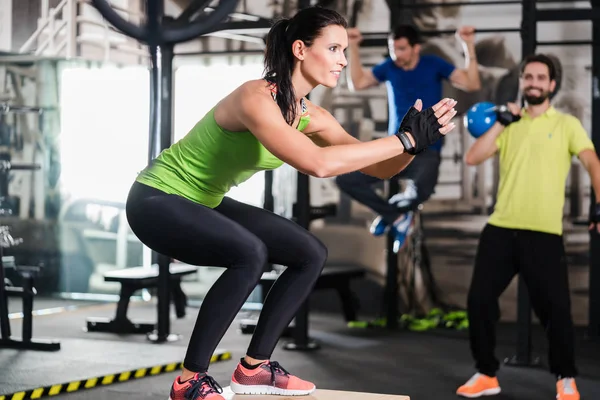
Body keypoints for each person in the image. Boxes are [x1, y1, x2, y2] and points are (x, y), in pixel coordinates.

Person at [125, 6, 458, 400]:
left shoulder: (310, 115)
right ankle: (189, 381)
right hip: (156, 198)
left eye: (343, 51)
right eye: (334, 48)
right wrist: (401, 142)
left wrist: (412, 144)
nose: (342, 60)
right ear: (300, 49)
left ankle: (254, 368)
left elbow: (381, 169)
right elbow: (318, 164)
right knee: (250, 253)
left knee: (309, 252)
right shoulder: (256, 97)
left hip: (203, 201)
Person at [456, 53, 598, 400]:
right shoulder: (508, 123)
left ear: (551, 85)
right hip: (501, 228)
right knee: (479, 301)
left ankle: (565, 377)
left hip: (543, 233)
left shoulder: (566, 125)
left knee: (557, 310)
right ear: (522, 82)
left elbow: (593, 162)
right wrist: (502, 121)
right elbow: (473, 157)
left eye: (540, 77)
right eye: (528, 77)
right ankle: (487, 373)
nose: (533, 82)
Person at [335, 24, 481, 252]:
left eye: (402, 49)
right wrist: (353, 46)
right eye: (393, 49)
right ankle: (395, 217)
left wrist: (468, 45)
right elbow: (358, 84)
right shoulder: (390, 67)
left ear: (416, 48)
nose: (396, 54)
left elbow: (472, 83)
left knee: (421, 193)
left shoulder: (433, 64)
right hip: (395, 148)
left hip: (427, 150)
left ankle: (394, 211)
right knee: (346, 180)